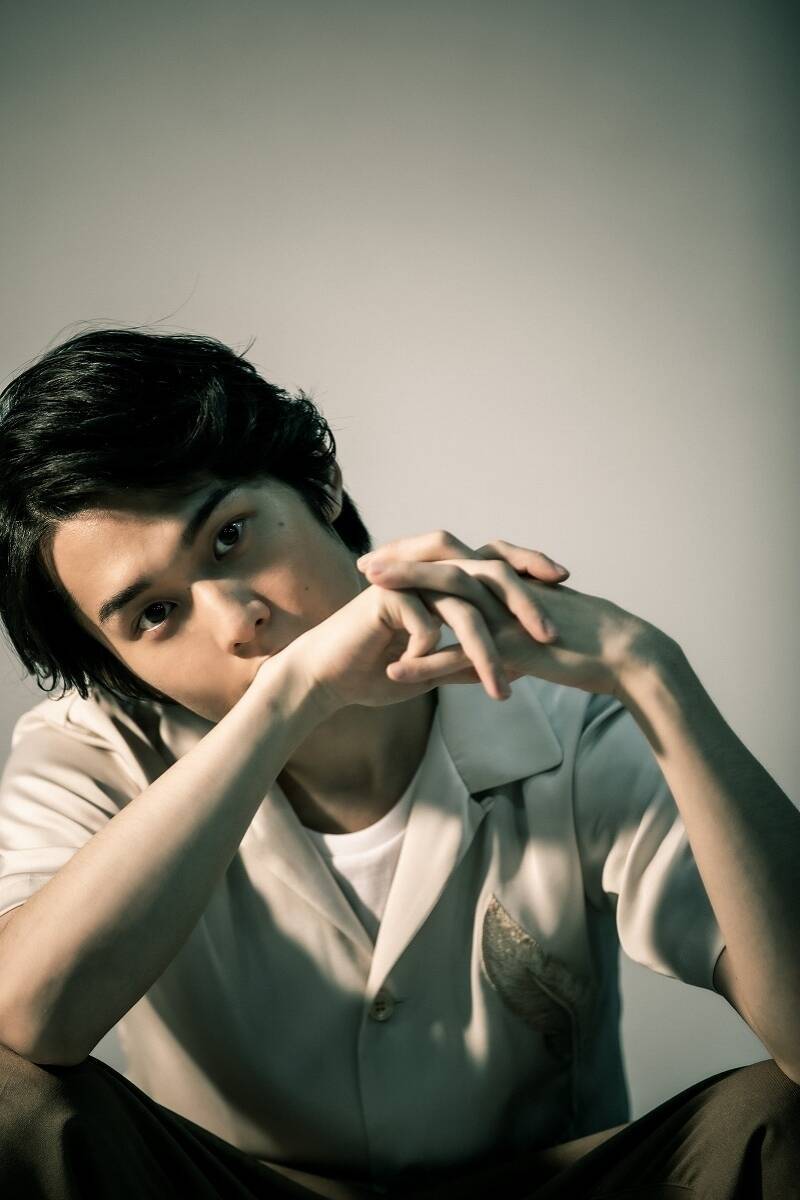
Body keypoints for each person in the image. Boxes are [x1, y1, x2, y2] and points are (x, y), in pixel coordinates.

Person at [0, 328, 797, 1200]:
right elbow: (27, 1019)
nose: (235, 622)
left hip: (542, 1189)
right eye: (155, 615)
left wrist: (652, 672)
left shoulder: (560, 712)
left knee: (782, 1116)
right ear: (115, 665)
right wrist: (291, 695)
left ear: (320, 487)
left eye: (229, 536)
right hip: (242, 1193)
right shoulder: (88, 746)